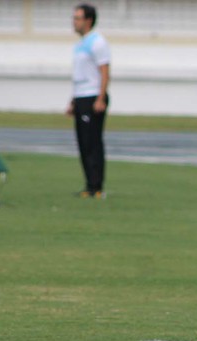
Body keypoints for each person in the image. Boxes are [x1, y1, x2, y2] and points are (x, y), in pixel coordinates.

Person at [67, 3, 110, 199]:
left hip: (93, 97)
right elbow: (80, 75)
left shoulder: (97, 42)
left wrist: (101, 98)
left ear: (88, 20)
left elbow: (104, 71)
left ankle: (97, 186)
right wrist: (73, 101)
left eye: (77, 18)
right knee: (83, 143)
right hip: (81, 97)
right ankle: (89, 185)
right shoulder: (79, 45)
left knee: (93, 142)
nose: (74, 22)